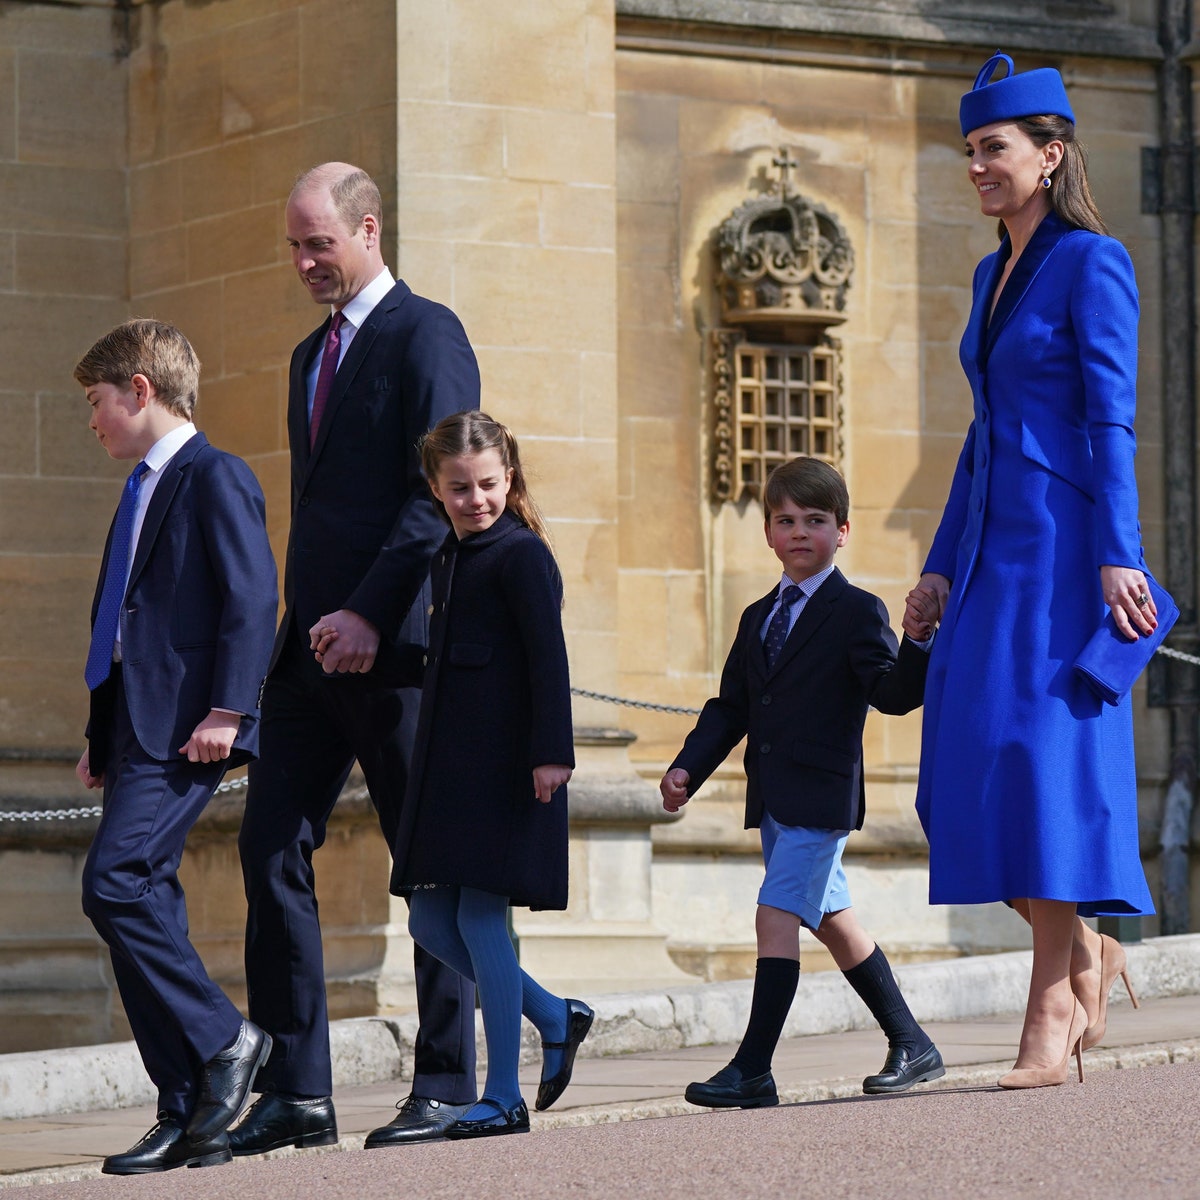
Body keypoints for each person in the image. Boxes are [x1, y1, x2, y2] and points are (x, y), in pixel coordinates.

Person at [902, 52, 1153, 1091]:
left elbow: (1112, 421)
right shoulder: (986, 274)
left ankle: (1051, 1006)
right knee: (962, 772)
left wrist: (1119, 554)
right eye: (968, 151)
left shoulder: (1092, 263)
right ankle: (1089, 945)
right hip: (990, 553)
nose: (977, 167)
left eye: (993, 149)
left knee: (1041, 768)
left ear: (1049, 156)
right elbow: (981, 433)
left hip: (1063, 551)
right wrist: (936, 568)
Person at [232, 163, 480, 1155]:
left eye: (317, 244)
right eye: (293, 246)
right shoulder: (305, 359)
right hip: (309, 654)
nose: (302, 263)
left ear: (367, 229)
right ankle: (299, 1092)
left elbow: (442, 489)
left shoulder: (429, 334)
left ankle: (451, 1083)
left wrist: (375, 611)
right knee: (265, 846)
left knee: (428, 865)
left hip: (403, 646)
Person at [660, 457, 941, 1110]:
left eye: (815, 521)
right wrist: (687, 768)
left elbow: (893, 694)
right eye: (785, 521)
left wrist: (917, 641)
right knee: (834, 920)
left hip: (821, 800)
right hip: (775, 802)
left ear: (842, 531)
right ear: (767, 532)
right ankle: (913, 1043)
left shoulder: (855, 610)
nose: (799, 533)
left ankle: (752, 1069)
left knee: (774, 914)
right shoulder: (759, 616)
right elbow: (731, 707)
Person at [74, 319, 278, 1174]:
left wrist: (231, 709)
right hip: (135, 728)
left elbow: (251, 596)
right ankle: (186, 1105)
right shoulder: (137, 490)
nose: (93, 421)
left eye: (97, 402)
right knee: (143, 897)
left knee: (110, 882)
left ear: (141, 390)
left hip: (190, 726)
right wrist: (99, 735)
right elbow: (123, 621)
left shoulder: (214, 475)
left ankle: (228, 1039)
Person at [363, 410, 593, 1138]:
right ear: (435, 487)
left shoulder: (522, 555)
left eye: (489, 484)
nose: (476, 499)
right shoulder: (448, 558)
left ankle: (502, 1094)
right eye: (459, 487)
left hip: (510, 765)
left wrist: (553, 751)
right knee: (431, 919)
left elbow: (545, 657)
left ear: (510, 478)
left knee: (477, 917)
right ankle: (554, 1015)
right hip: (452, 768)